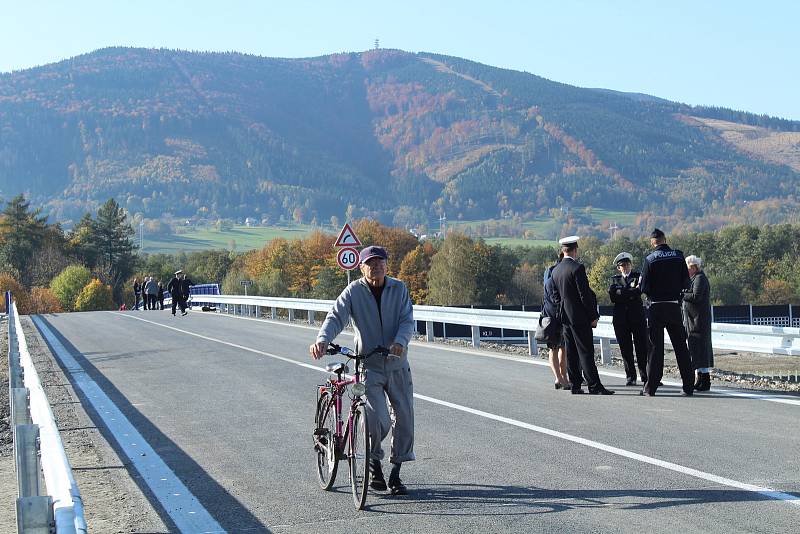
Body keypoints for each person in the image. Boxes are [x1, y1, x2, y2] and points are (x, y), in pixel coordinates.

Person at [310, 245, 415, 496]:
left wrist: (400, 343)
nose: (376, 266)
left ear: (387, 265)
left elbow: (407, 320)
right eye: (370, 263)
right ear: (361, 267)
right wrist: (322, 340)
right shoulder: (353, 292)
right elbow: (336, 317)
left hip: (397, 365)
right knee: (377, 420)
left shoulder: (398, 288)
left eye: (380, 262)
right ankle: (374, 463)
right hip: (369, 367)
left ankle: (396, 474)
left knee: (405, 421)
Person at [549, 236, 614, 395]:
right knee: (585, 352)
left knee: (571, 352)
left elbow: (554, 295)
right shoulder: (577, 268)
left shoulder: (555, 270)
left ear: (563, 251)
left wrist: (563, 308)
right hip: (579, 317)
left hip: (565, 317)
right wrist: (593, 316)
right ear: (575, 250)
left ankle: (575, 384)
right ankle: (594, 385)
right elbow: (584, 295)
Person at [639, 228, 695, 396]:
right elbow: (687, 282)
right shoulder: (678, 256)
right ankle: (688, 386)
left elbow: (643, 287)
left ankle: (651, 388)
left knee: (656, 349)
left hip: (656, 307)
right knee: (681, 348)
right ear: (665, 239)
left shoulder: (650, 259)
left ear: (652, 242)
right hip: (674, 306)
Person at [608, 252, 648, 386]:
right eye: (622, 265)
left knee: (642, 347)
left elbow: (640, 291)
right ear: (618, 268)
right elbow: (613, 297)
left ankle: (645, 376)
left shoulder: (638, 277)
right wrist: (631, 293)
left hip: (637, 317)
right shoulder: (614, 280)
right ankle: (630, 376)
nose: (625, 267)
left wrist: (623, 293)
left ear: (631, 265)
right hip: (621, 320)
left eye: (627, 264)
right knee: (626, 349)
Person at [683, 255, 713, 392]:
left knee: (701, 350)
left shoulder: (700, 278)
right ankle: (700, 379)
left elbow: (696, 296)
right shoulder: (694, 279)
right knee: (696, 350)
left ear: (694, 267)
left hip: (699, 320)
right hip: (693, 320)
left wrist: (682, 294)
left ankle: (705, 380)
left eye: (688, 268)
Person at [543, 251, 569, 389]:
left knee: (556, 348)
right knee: (560, 349)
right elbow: (556, 298)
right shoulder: (557, 274)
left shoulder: (549, 272)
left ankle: (561, 378)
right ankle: (560, 378)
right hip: (557, 316)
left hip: (550, 316)